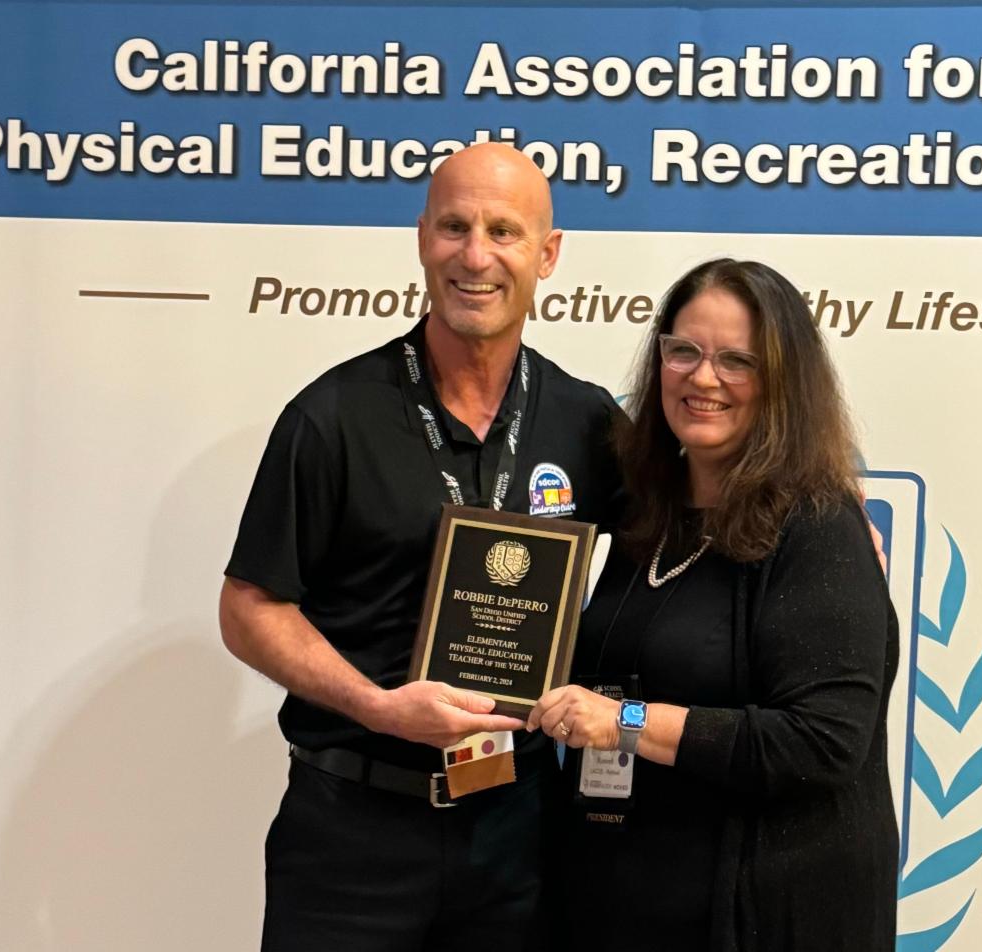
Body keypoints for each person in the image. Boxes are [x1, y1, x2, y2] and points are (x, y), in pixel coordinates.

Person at [218, 142, 624, 951]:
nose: (476, 256)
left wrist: (821, 502)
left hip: (516, 828)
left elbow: (703, 517)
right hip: (352, 833)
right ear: (421, 239)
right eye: (454, 227)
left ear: (547, 255)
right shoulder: (331, 418)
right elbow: (249, 607)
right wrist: (377, 707)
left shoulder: (586, 421)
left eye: (504, 231)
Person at [528, 258, 899, 951]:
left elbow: (822, 743)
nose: (703, 378)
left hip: (760, 913)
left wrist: (625, 722)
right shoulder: (647, 515)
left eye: (738, 361)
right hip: (625, 900)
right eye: (684, 351)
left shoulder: (817, 525)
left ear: (786, 384)